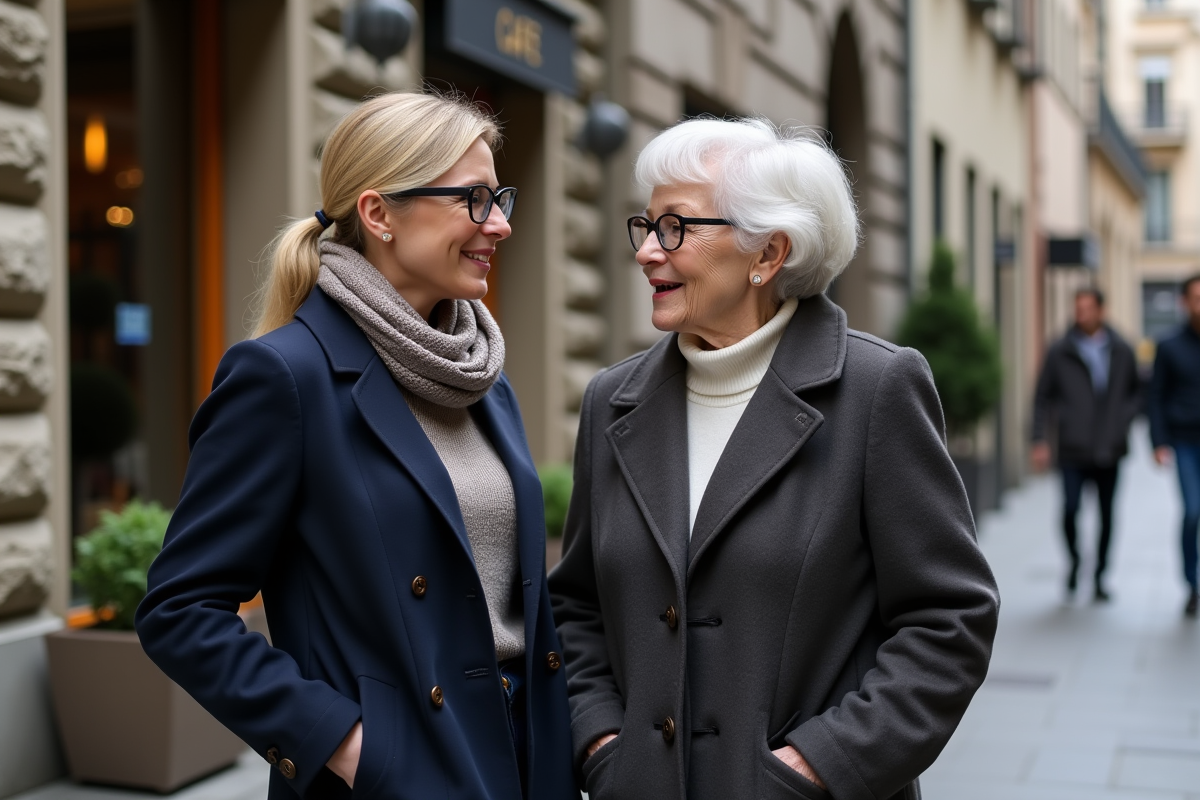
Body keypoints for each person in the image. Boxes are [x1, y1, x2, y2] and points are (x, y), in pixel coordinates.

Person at [135, 92, 576, 800]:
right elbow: (180, 612)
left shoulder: (481, 376)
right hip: (397, 776)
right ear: (378, 215)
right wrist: (347, 745)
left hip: (525, 758)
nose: (500, 223)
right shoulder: (285, 376)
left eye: (501, 198)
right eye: (474, 199)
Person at [549, 118, 999, 800]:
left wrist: (822, 765)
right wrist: (603, 744)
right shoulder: (612, 401)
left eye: (677, 228)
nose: (647, 252)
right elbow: (577, 606)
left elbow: (950, 620)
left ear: (767, 254)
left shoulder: (877, 390)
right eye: (645, 225)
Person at [1031, 288, 1142, 602]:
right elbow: (1042, 397)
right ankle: (1075, 561)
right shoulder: (1059, 350)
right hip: (1072, 447)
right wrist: (1039, 439)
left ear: (1101, 311)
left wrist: (1123, 418)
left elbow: (1136, 392)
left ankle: (1100, 576)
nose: (1082, 314)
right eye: (1078, 308)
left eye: (1088, 308)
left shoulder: (1122, 348)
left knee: (1107, 514)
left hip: (1110, 446)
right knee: (1069, 510)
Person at [1149, 273, 1200, 617]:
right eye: (1195, 297)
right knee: (1193, 510)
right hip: (1183, 441)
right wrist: (1158, 441)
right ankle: (1191, 583)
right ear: (1184, 302)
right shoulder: (1168, 346)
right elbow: (1155, 397)